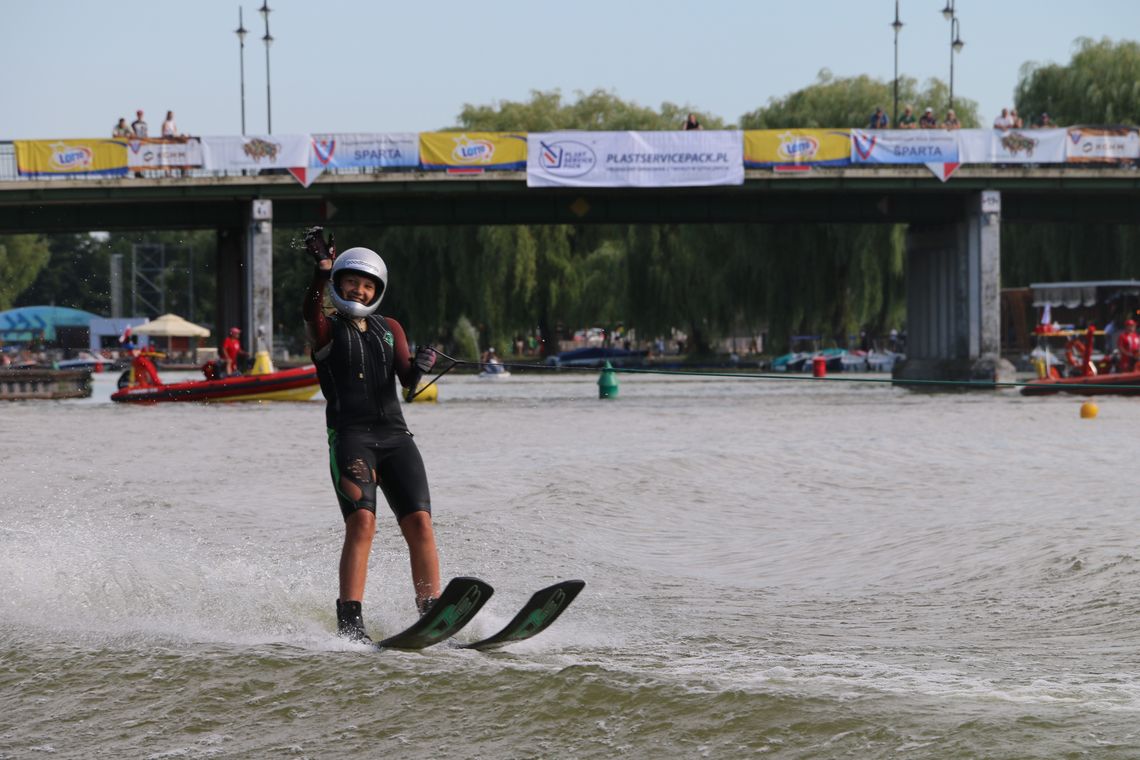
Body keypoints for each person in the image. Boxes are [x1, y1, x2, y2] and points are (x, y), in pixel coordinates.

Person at [302, 226, 441, 643]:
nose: (359, 291)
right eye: (350, 283)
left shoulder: (390, 328)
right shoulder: (324, 328)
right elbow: (309, 310)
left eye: (366, 285)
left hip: (397, 438)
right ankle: (351, 623)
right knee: (362, 522)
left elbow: (407, 384)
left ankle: (433, 612)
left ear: (375, 290)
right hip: (352, 439)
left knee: (420, 523)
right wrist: (322, 271)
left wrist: (422, 364)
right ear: (337, 285)